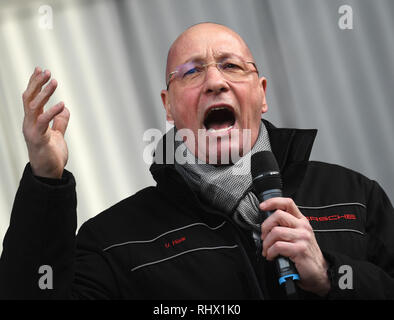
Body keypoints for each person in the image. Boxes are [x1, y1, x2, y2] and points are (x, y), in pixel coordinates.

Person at [1, 22, 394, 300]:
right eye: (191, 72)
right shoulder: (117, 242)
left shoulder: (355, 198)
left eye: (231, 66)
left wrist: (331, 275)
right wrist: (46, 181)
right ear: (168, 107)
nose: (214, 81)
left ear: (261, 94)